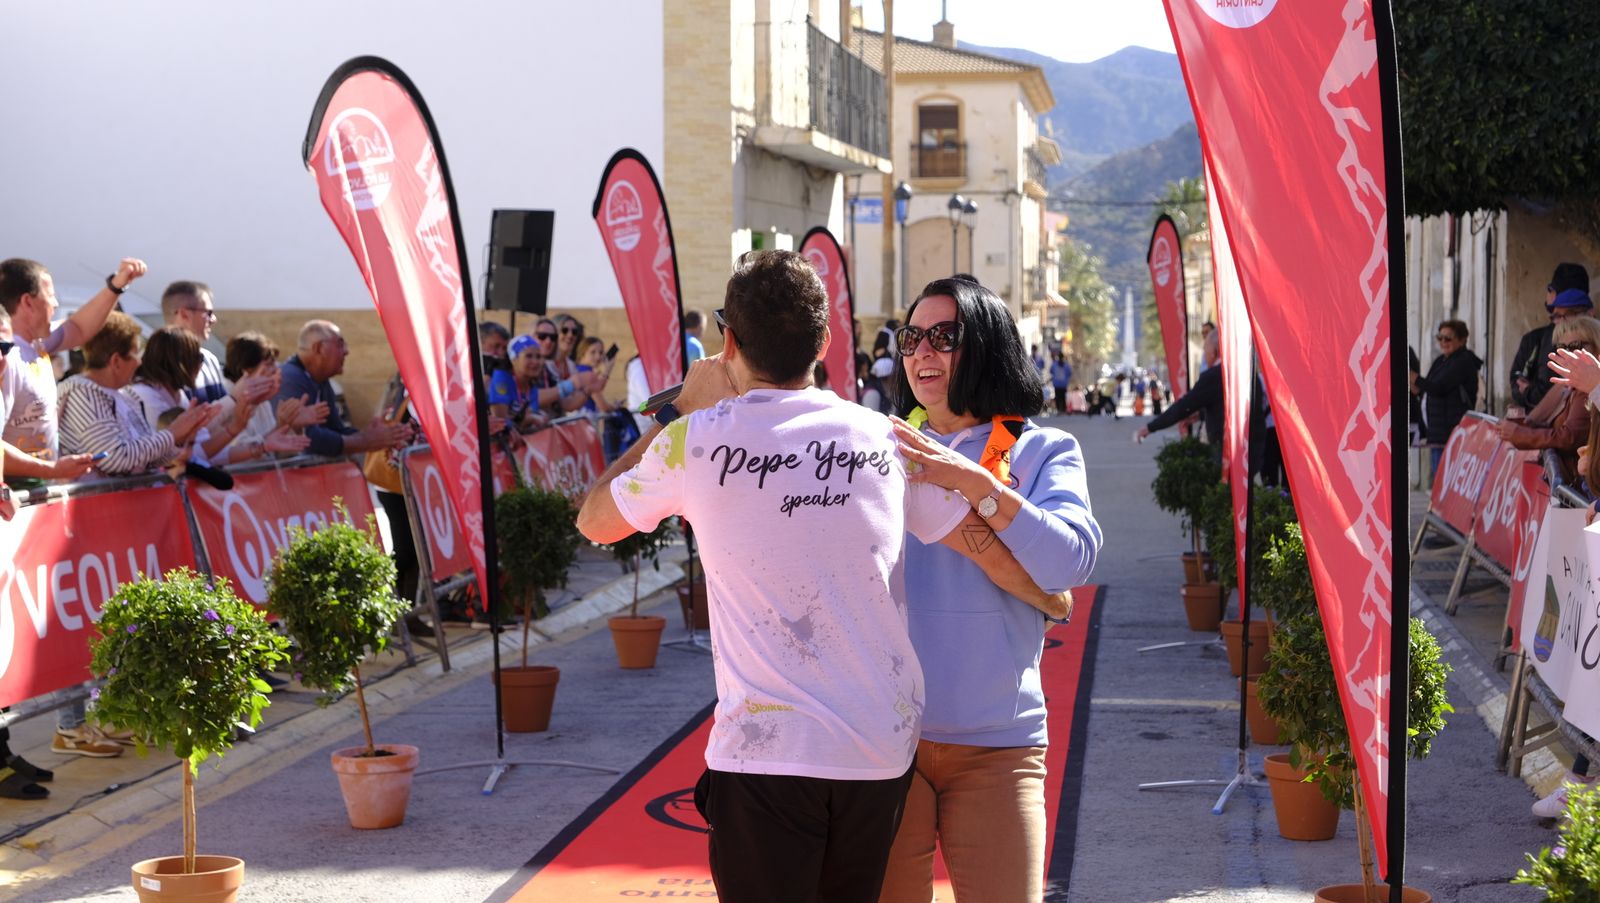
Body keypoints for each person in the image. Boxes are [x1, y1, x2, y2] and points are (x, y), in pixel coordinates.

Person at [576, 250, 1066, 902]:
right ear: (826, 341)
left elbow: (595, 520)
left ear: (727, 341)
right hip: (876, 753)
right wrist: (1045, 595)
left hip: (765, 754)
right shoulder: (884, 437)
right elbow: (977, 546)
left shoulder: (693, 440)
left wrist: (679, 411)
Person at [877, 277, 1100, 902]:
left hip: (1000, 747)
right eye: (912, 337)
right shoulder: (879, 449)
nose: (923, 352)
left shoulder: (1042, 449)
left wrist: (973, 481)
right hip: (888, 745)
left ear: (989, 346)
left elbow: (1071, 563)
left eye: (945, 337)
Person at [0, 257, 138, 485]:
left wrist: (116, 286)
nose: (55, 304)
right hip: (15, 499)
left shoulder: (37, 344)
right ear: (28, 302)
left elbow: (79, 327)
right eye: (50, 296)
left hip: (34, 495)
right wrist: (51, 470)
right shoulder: (8, 358)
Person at [58, 312, 216, 477]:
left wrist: (181, 437)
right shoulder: (84, 395)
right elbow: (115, 459)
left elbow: (148, 458)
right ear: (116, 361)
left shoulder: (122, 396)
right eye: (135, 354)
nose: (139, 362)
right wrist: (172, 433)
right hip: (103, 502)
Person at [126, 327, 295, 466]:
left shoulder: (175, 394)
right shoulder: (147, 397)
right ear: (179, 363)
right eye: (198, 357)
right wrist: (235, 404)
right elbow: (184, 458)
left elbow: (204, 443)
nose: (201, 363)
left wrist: (262, 445)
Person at [275, 320, 413, 457]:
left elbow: (335, 429)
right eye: (340, 344)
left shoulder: (320, 379)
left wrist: (372, 435)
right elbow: (308, 439)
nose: (346, 351)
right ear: (318, 348)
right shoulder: (290, 378)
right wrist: (365, 441)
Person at [1498, 315, 1597, 485]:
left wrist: (1520, 433)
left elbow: (1569, 437)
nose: (1567, 354)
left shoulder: (1586, 389)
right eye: (1561, 348)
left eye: (1575, 346)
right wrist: (1521, 427)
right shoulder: (1570, 386)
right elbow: (1540, 419)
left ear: (1596, 347)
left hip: (1581, 491)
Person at [223, 332, 325, 453]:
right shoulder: (228, 401)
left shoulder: (261, 401)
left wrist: (292, 425)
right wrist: (281, 426)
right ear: (247, 370)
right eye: (269, 364)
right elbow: (238, 458)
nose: (276, 370)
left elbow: (279, 456)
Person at [1511, 263, 1591, 410]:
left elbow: (1551, 389)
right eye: (1556, 317)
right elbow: (1516, 381)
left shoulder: (1586, 339)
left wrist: (1528, 392)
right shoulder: (1533, 339)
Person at [1410, 319, 1484, 477]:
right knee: (1439, 478)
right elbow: (1427, 388)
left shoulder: (1463, 361)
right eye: (1440, 338)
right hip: (1437, 433)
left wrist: (1414, 377)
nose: (1443, 342)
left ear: (1462, 340)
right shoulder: (1441, 360)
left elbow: (1439, 387)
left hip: (1451, 433)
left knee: (1446, 479)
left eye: (1448, 338)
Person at [1137, 329, 1224, 446]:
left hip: (1224, 445)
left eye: (1205, 349)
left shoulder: (1213, 375)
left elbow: (1184, 406)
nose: (1204, 355)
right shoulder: (1235, 372)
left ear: (1214, 351)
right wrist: (1201, 415)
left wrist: (1150, 427)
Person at [159, 280, 229, 403]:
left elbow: (225, 417)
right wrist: (238, 398)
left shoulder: (208, 359)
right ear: (184, 314)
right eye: (208, 313)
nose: (213, 319)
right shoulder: (158, 368)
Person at [1050, 351, 1072, 416]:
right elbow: (1069, 373)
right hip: (1062, 384)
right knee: (1062, 397)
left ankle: (1059, 410)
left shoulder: (1054, 364)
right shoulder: (1066, 365)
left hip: (1057, 384)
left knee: (1058, 397)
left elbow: (1051, 371)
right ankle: (1062, 410)